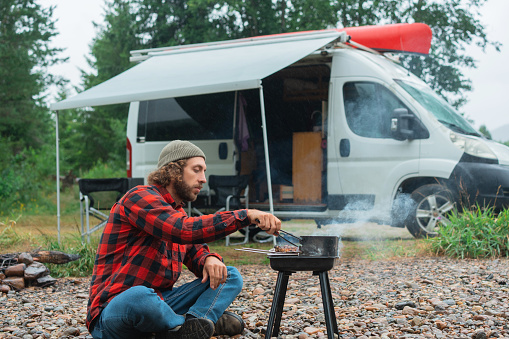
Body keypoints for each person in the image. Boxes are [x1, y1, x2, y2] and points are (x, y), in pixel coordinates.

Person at [86, 140, 281, 339]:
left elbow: (195, 249)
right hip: (114, 311)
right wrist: (245, 215)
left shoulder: (177, 213)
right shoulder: (139, 197)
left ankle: (192, 324)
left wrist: (208, 259)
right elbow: (183, 230)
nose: (203, 179)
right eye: (196, 170)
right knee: (140, 296)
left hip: (162, 303)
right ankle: (191, 323)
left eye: (204, 171)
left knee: (230, 276)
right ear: (173, 171)